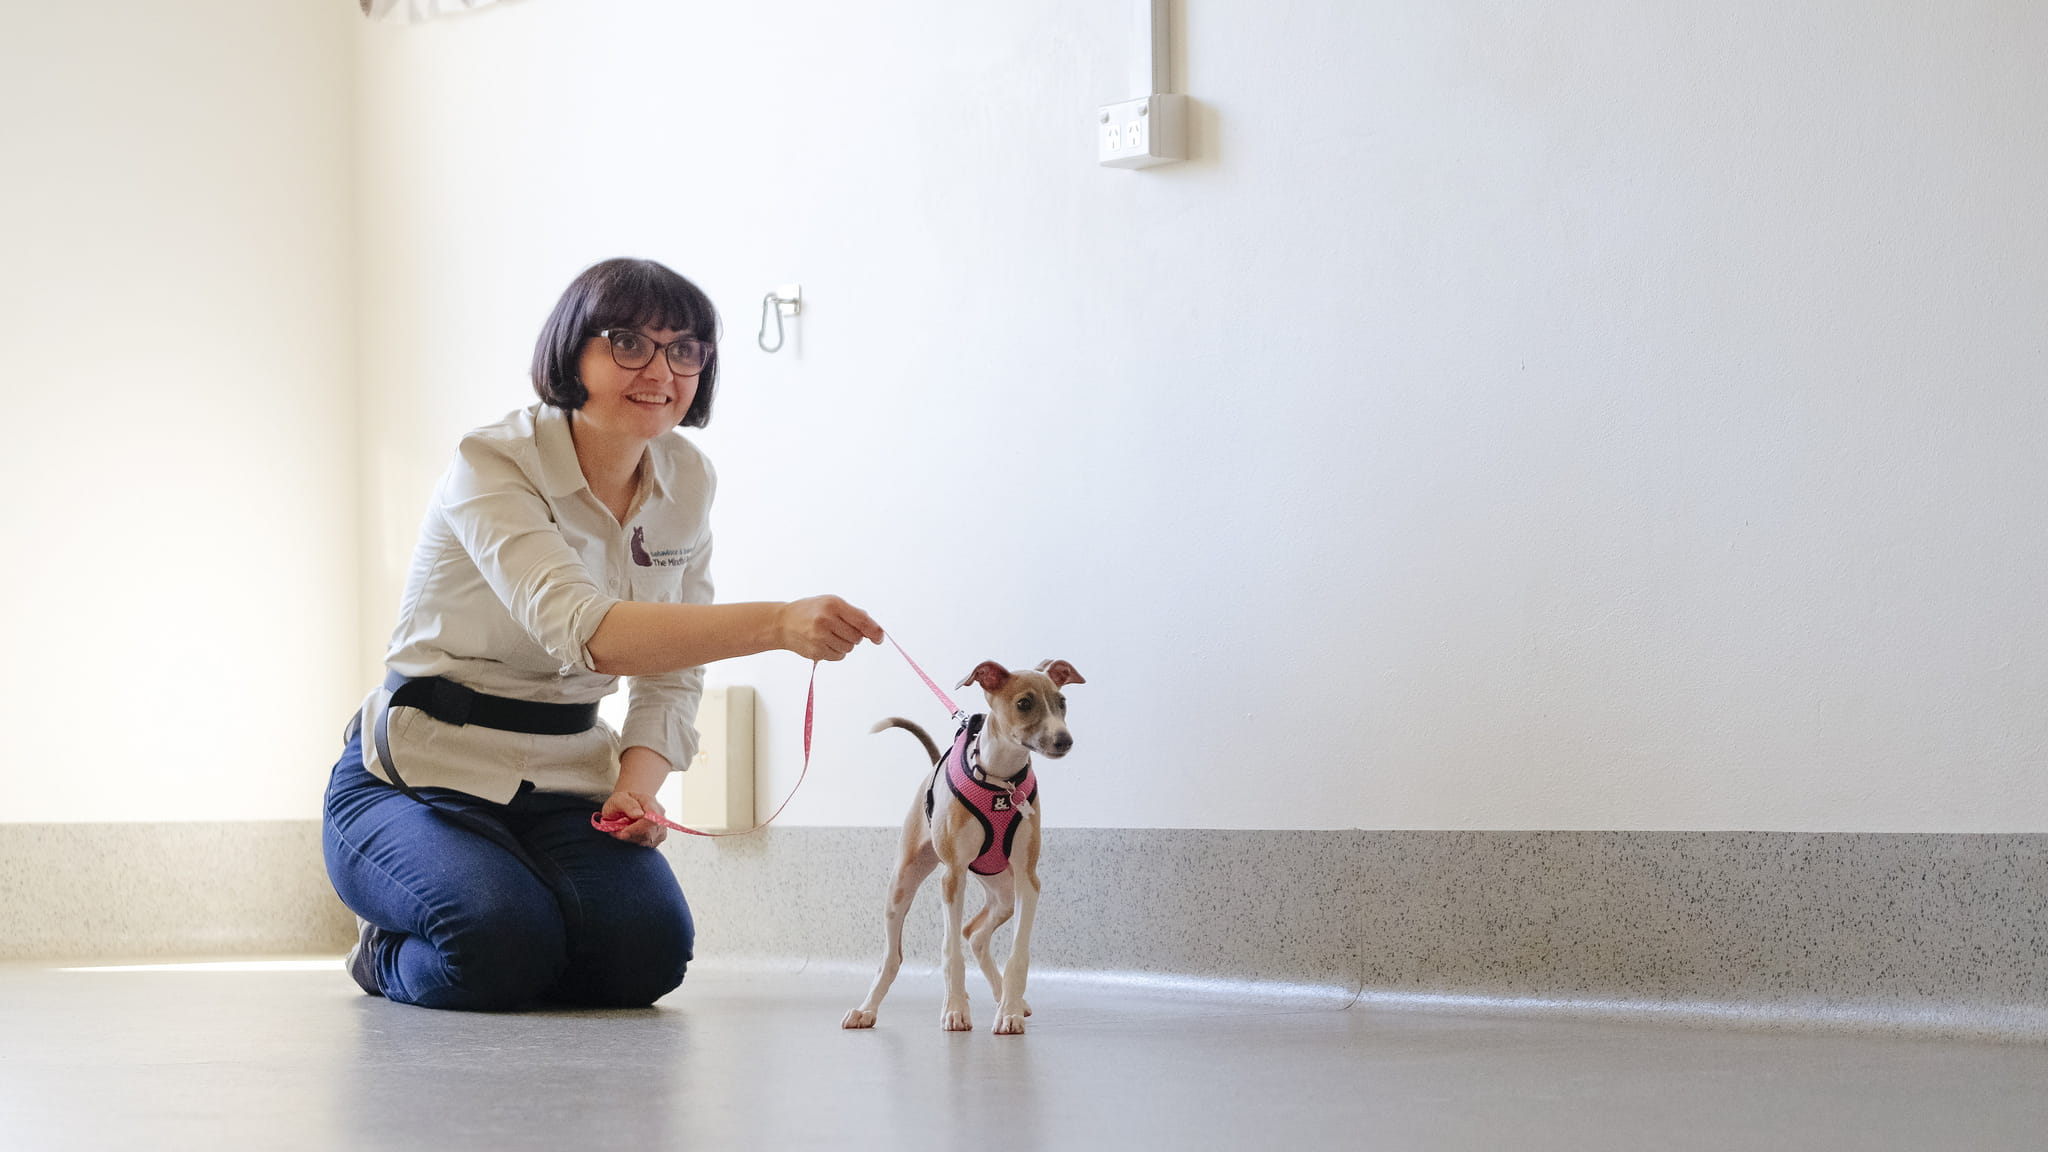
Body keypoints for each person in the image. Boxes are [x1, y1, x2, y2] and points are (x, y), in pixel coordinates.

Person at [322, 257, 883, 1011]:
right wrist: (779, 623)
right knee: (495, 943)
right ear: (571, 351)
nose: (661, 370)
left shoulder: (688, 479)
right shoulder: (491, 463)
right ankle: (382, 952)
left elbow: (674, 668)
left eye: (685, 349)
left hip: (565, 779)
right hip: (418, 776)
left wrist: (636, 789)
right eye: (629, 343)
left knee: (645, 957)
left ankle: (523, 921)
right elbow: (586, 632)